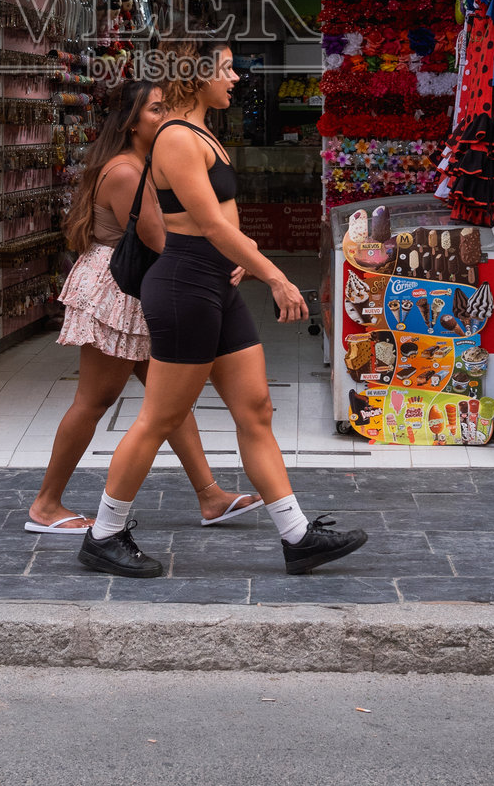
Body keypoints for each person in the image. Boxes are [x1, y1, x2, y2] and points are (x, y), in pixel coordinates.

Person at [78, 40, 368, 577]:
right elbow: (209, 225)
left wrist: (236, 258)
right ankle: (104, 534)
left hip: (213, 281)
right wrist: (275, 276)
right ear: (195, 76)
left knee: (255, 407)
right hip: (185, 285)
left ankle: (297, 534)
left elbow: (221, 225)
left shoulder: (204, 133)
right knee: (160, 417)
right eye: (227, 68)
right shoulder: (176, 139)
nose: (236, 77)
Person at [25, 79, 263, 533]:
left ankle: (210, 496)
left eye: (168, 109)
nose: (166, 118)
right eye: (156, 110)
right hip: (120, 289)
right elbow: (161, 240)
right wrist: (228, 254)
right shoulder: (128, 172)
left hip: (135, 286)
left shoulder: (145, 165)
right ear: (132, 123)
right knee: (95, 401)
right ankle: (45, 505)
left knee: (167, 403)